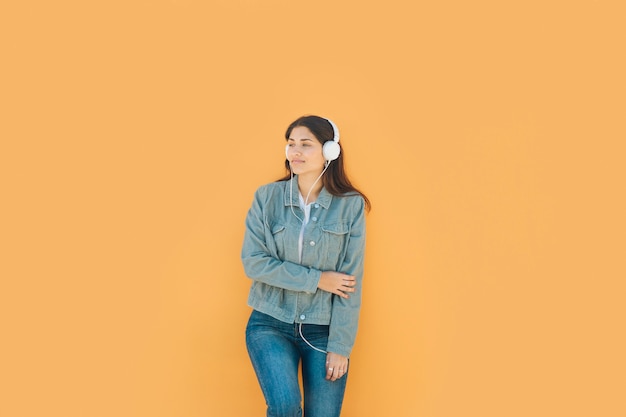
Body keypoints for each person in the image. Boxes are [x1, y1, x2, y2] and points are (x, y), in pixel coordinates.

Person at [241, 115, 371, 417]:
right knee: (285, 407)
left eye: (305, 144)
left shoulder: (350, 206)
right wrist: (316, 279)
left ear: (329, 151)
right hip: (270, 322)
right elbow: (254, 263)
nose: (295, 152)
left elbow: (352, 280)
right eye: (291, 144)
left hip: (323, 329)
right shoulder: (266, 198)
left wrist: (341, 345)